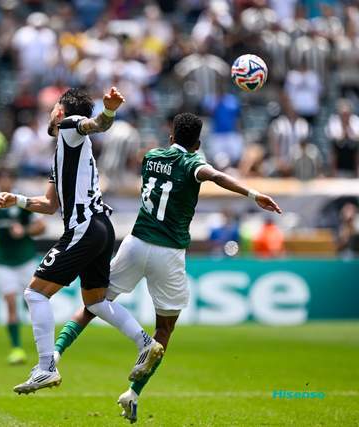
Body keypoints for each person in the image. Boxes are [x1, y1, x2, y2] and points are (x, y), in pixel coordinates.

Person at [51, 113, 282, 423]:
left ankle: (53, 356)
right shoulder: (193, 163)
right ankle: (133, 393)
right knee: (164, 329)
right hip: (169, 253)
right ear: (198, 143)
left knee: (93, 303)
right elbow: (215, 176)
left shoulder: (151, 157)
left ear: (171, 137)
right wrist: (254, 194)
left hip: (135, 244)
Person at [0, 87, 161, 395]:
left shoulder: (70, 126)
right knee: (95, 301)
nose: (50, 113)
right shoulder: (64, 151)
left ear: (60, 111)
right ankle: (145, 343)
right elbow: (49, 205)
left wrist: (108, 111)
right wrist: (16, 199)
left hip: (84, 227)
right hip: (100, 227)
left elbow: (96, 125)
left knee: (35, 293)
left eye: (52, 108)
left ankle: (46, 367)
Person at [0, 168, 46, 365]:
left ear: (13, 181)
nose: (4, 182)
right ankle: (16, 348)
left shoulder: (21, 202)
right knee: (10, 303)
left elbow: (41, 226)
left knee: (33, 303)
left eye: (8, 178)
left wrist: (24, 230)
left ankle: (44, 346)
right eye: (1, 178)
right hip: (4, 261)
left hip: (26, 260)